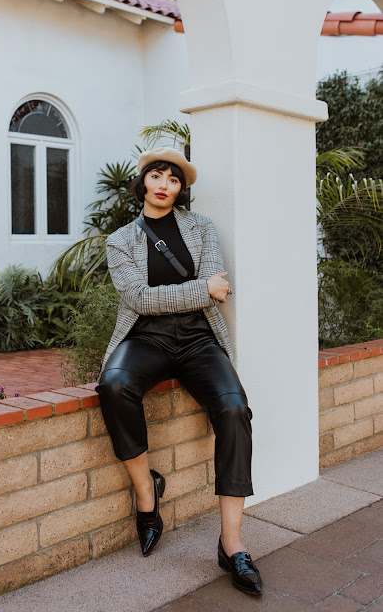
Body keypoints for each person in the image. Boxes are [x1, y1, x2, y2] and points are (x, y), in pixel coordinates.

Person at [95, 147, 262, 597]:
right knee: (114, 385)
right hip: (145, 338)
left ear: (180, 189)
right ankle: (146, 492)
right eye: (157, 175)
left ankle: (232, 543)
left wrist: (200, 291)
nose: (164, 184)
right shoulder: (120, 240)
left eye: (173, 178)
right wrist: (200, 288)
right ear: (143, 182)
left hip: (198, 339)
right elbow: (139, 299)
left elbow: (218, 289)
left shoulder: (202, 229)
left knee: (234, 409)